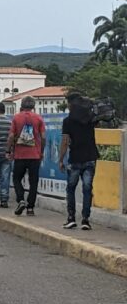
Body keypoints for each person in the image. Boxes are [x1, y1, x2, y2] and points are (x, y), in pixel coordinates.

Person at [59, 94, 99, 230]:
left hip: (75, 159)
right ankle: (86, 220)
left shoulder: (68, 121)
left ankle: (71, 218)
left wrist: (60, 159)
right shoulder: (90, 119)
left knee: (71, 188)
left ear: (71, 105)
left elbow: (65, 142)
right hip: (90, 158)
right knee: (87, 190)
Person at [8, 96, 46, 217]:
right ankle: (30, 208)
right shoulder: (38, 118)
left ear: (22, 106)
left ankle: (21, 200)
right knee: (33, 182)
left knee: (17, 179)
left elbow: (10, 137)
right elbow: (43, 137)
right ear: (33, 106)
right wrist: (41, 151)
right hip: (35, 155)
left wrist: (8, 150)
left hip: (19, 155)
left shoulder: (16, 117)